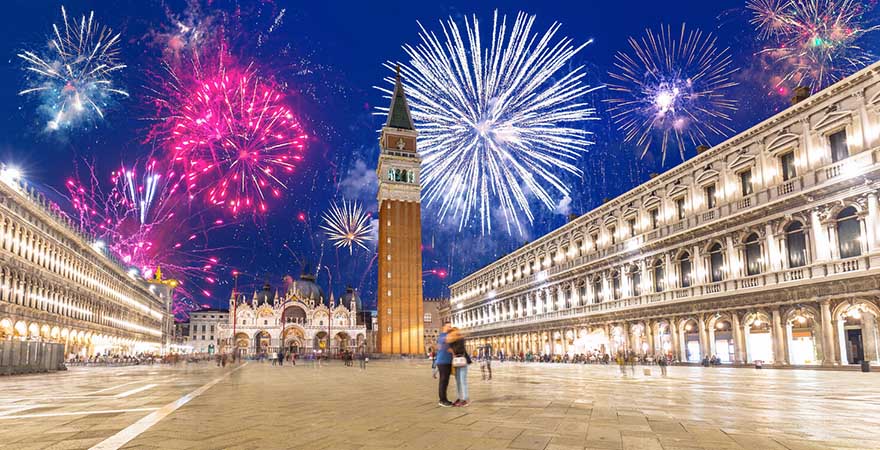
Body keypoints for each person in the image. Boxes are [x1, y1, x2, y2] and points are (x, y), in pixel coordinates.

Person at [447, 327, 471, 407]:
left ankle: (465, 399)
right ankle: (460, 398)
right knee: (458, 381)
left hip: (462, 361)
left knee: (462, 380)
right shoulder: (451, 341)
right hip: (457, 362)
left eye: (452, 332)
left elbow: (459, 350)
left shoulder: (460, 339)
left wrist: (452, 350)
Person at [435, 324, 454, 407]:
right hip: (443, 361)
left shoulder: (442, 336)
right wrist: (454, 352)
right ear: (444, 327)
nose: (450, 327)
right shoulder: (444, 337)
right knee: (443, 381)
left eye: (451, 326)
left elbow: (439, 347)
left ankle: (444, 399)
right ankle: (442, 400)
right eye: (448, 326)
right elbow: (446, 348)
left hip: (445, 361)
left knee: (445, 381)